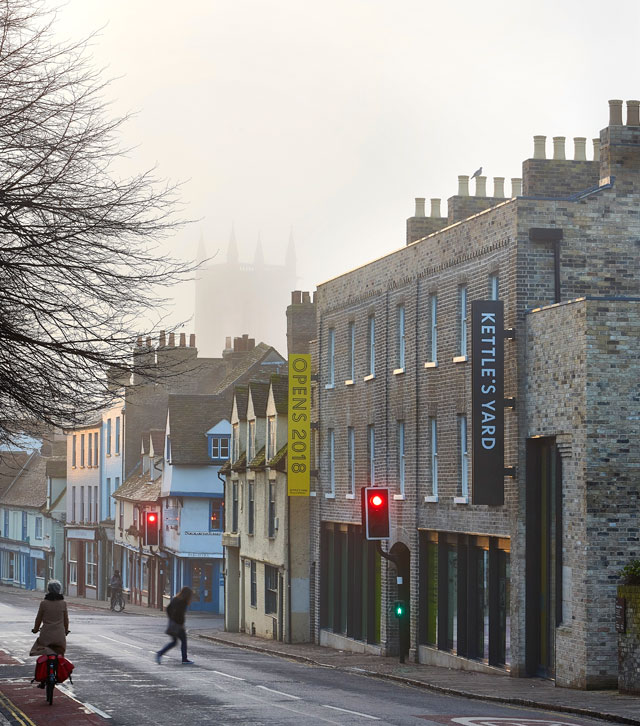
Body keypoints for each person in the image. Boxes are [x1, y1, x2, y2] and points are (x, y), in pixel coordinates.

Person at [30, 580, 69, 658]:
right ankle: (60, 668)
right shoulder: (63, 603)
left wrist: (35, 629)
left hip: (46, 635)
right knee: (60, 653)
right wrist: (66, 630)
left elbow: (38, 619)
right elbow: (66, 620)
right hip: (59, 635)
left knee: (42, 648)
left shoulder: (44, 603)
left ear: (49, 589)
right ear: (59, 590)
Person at [156, 586, 193, 665]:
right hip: (178, 625)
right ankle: (184, 659)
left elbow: (168, 609)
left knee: (174, 642)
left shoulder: (175, 599)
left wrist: (171, 618)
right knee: (183, 641)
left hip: (173, 624)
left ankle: (160, 653)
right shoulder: (183, 602)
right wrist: (180, 623)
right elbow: (180, 614)